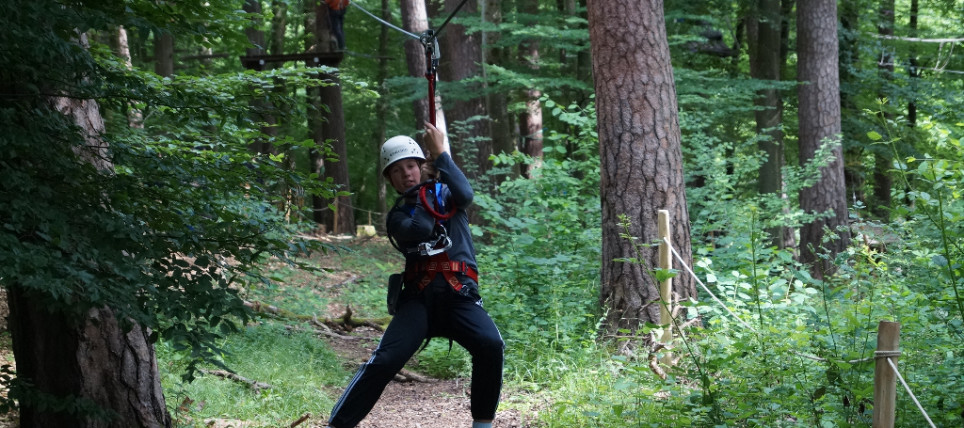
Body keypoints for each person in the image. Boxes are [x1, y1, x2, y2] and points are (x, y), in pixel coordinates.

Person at [326, 123, 505, 428]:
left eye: (411, 166)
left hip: (458, 295)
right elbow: (420, 229)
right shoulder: (397, 216)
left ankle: (483, 424)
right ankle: (339, 424)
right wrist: (426, 195)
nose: (406, 173)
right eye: (397, 171)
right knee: (385, 360)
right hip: (419, 301)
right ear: (391, 180)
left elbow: (466, 193)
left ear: (422, 167)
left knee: (491, 344)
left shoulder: (449, 196)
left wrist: (441, 154)